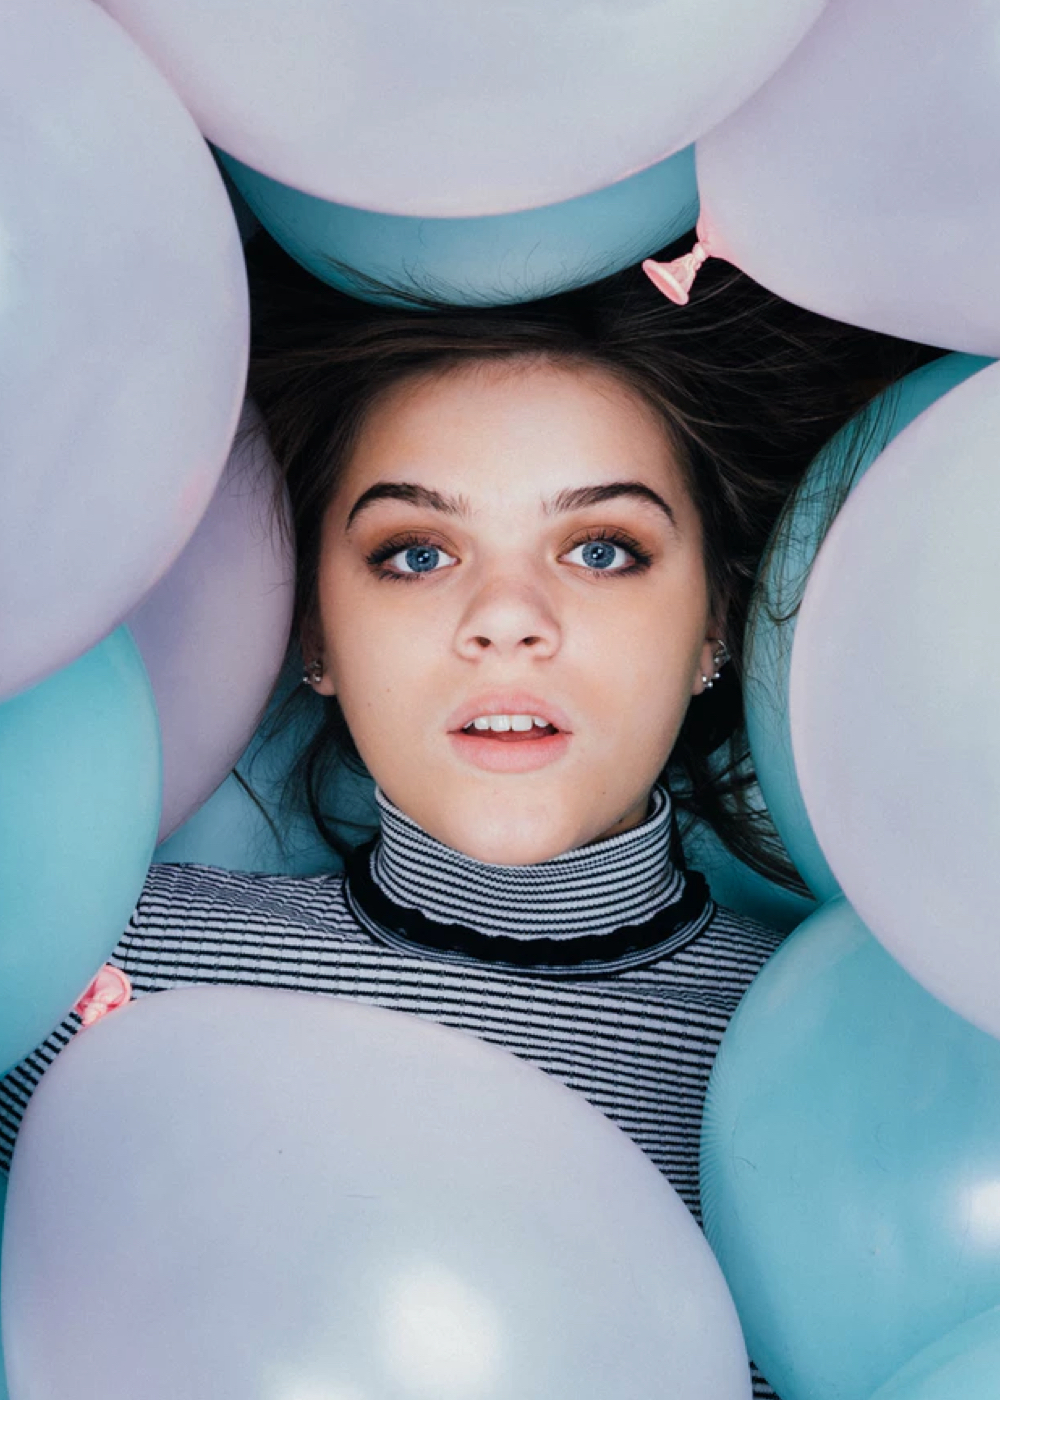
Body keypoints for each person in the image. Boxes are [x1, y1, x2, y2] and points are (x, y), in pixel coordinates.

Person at [0, 232, 939, 1397]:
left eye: (601, 549)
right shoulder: (81, 964)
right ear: (314, 632)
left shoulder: (872, 1069)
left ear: (713, 624)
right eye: (415, 552)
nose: (507, 619)